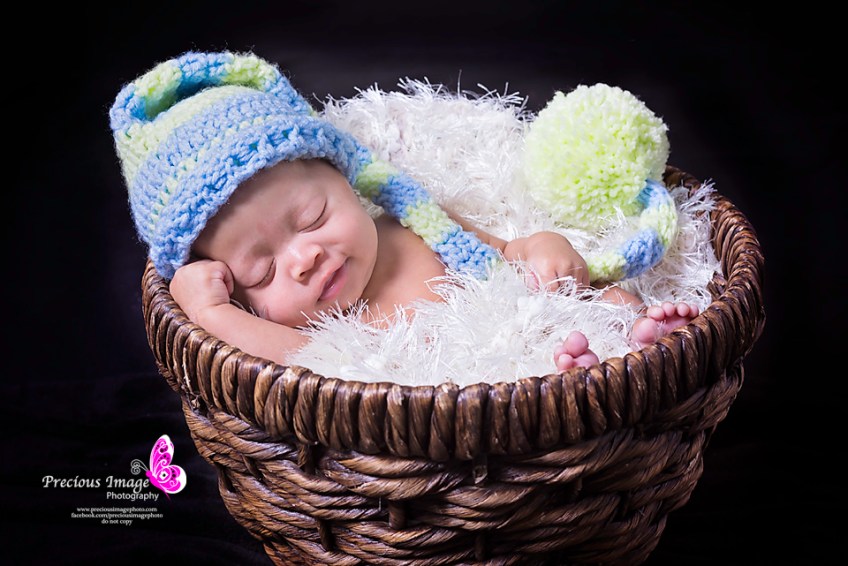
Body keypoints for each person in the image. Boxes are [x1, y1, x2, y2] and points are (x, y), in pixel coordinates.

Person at [111, 51, 697, 376]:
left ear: (346, 178)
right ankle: (586, 375)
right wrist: (209, 312)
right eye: (262, 274)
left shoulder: (416, 228)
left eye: (313, 216)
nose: (305, 257)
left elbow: (505, 258)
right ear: (242, 298)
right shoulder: (301, 335)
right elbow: (291, 372)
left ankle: (641, 351)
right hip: (442, 436)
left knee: (600, 299)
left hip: (534, 357)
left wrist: (544, 250)